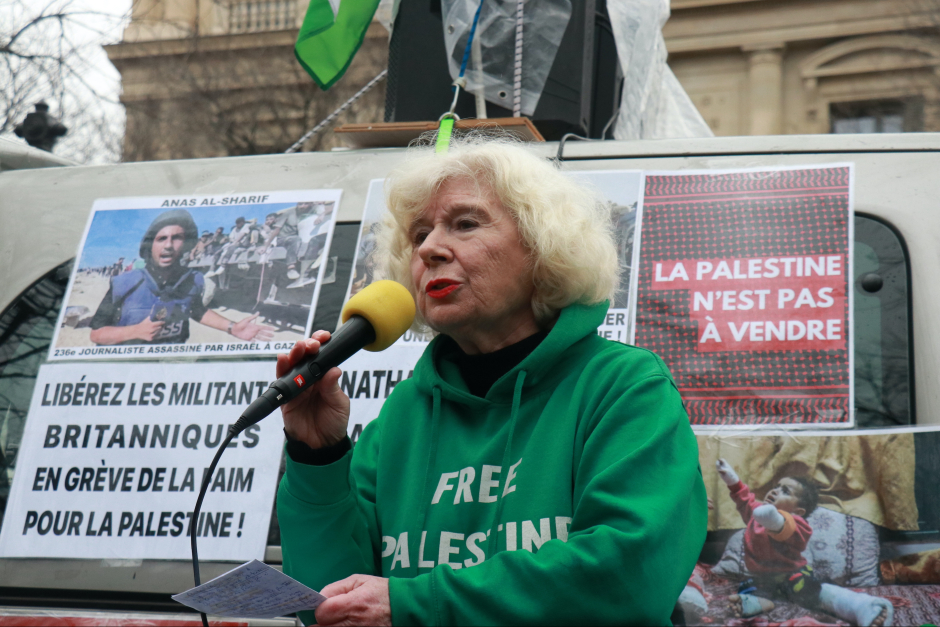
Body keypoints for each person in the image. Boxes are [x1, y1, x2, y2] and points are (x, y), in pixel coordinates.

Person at [275, 138, 707, 626]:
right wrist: (317, 455)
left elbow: (625, 578)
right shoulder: (404, 413)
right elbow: (329, 603)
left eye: (465, 224)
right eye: (420, 235)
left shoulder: (624, 388)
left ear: (544, 245)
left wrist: (417, 604)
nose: (430, 248)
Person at [716, 459, 893, 626]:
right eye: (776, 487)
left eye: (785, 491)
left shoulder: (799, 524)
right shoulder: (758, 513)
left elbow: (787, 529)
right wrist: (732, 480)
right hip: (762, 578)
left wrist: (774, 521)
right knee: (748, 588)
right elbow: (744, 500)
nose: (775, 491)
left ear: (798, 511)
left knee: (816, 593)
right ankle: (760, 602)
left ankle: (862, 607)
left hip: (793, 576)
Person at [89, 209, 274, 345]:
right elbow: (96, 334)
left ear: (186, 244)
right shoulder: (124, 282)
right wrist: (135, 331)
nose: (169, 245)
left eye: (177, 238)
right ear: (149, 246)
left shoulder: (192, 280)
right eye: (161, 239)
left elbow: (195, 310)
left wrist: (232, 327)